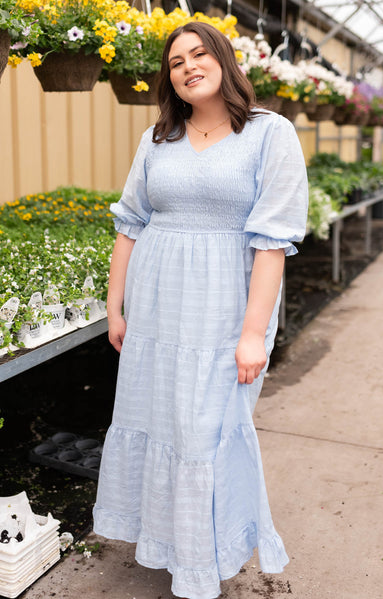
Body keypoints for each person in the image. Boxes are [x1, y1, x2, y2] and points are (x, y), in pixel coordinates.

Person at [93, 21, 308, 599]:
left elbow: (272, 242)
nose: (187, 66)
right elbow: (130, 226)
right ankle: (170, 544)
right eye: (175, 60)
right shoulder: (157, 137)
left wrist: (252, 335)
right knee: (160, 420)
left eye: (198, 53)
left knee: (208, 430)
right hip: (157, 307)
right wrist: (116, 309)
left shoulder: (270, 134)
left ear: (223, 59)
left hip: (223, 311)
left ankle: (207, 554)